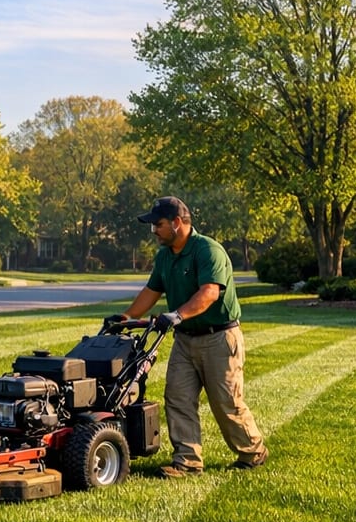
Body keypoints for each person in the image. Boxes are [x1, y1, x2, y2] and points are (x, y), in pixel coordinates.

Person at [109, 196, 267, 477]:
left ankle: (252, 452)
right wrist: (126, 318)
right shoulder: (164, 256)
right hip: (185, 339)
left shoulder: (208, 250)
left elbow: (209, 292)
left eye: (158, 224)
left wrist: (178, 314)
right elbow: (151, 291)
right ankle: (187, 461)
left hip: (219, 337)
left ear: (177, 223)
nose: (154, 231)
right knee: (178, 398)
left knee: (226, 402)